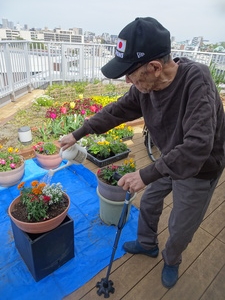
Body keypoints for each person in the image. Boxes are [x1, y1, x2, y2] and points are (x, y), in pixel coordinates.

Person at [60, 17, 225, 288]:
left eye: (130, 73)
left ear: (154, 67)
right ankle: (147, 244)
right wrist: (78, 133)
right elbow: (117, 110)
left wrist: (145, 175)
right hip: (170, 159)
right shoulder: (145, 88)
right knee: (148, 203)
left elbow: (197, 147)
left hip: (199, 168)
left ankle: (172, 259)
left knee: (180, 226)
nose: (127, 81)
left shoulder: (197, 81)